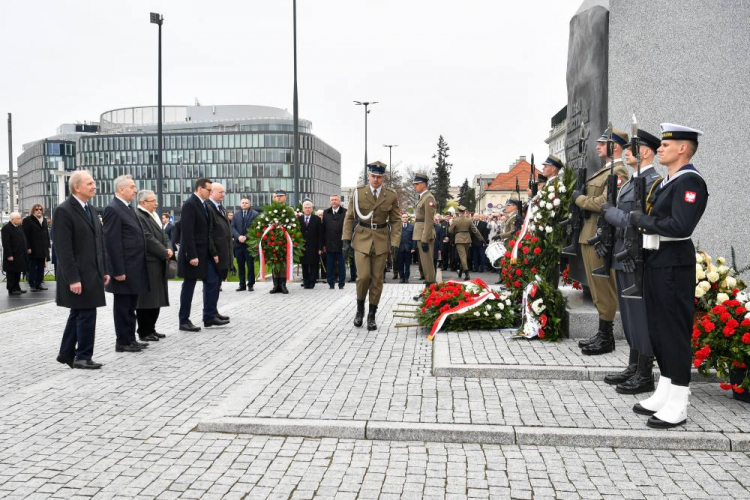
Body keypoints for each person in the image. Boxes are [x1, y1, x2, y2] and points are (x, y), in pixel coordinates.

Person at [621, 123, 708, 429]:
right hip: (657, 260)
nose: (659, 149)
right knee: (658, 330)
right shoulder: (669, 182)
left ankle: (679, 401)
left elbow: (681, 227)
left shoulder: (690, 182)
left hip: (673, 263)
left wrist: (643, 220)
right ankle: (666, 390)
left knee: (673, 332)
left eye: (666, 146)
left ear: (683, 148)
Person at [596, 128, 663, 395]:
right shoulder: (631, 182)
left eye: (632, 148)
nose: (625, 151)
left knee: (639, 315)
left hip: (637, 259)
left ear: (645, 152)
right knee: (629, 316)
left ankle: (644, 374)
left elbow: (640, 221)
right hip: (623, 257)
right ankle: (633, 366)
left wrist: (611, 214)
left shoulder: (653, 182)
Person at [573, 127, 630, 355]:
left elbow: (607, 203)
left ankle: (607, 337)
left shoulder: (619, 172)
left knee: (603, 287)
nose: (597, 146)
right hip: (589, 234)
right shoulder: (605, 170)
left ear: (614, 146)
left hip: (600, 236)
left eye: (602, 142)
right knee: (596, 288)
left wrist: (581, 200)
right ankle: (602, 332)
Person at [53, 171, 109, 369]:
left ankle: (67, 353)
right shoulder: (64, 211)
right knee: (86, 314)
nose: (94, 186)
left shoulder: (91, 209)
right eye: (90, 183)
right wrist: (73, 278)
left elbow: (99, 242)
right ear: (77, 187)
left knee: (79, 312)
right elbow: (63, 249)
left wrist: (104, 270)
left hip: (93, 273)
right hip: (79, 274)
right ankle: (83, 356)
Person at [342, 162, 402, 330]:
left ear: (384, 177)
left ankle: (371, 315)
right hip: (362, 238)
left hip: (382, 239)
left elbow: (396, 220)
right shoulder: (359, 193)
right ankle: (360, 309)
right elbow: (349, 217)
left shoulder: (390, 195)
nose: (376, 179)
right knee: (363, 276)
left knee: (377, 279)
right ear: (368, 176)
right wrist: (346, 239)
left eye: (379, 177)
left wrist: (395, 242)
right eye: (373, 176)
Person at [103, 175, 150, 353]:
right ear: (121, 189)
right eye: (131, 187)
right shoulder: (113, 209)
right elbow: (112, 242)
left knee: (131, 306)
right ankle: (122, 341)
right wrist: (117, 270)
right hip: (124, 268)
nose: (135, 190)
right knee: (123, 307)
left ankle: (130, 338)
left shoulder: (127, 208)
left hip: (134, 267)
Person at [178, 178, 226, 331]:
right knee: (189, 286)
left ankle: (209, 316)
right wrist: (191, 255)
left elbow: (206, 232)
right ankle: (184, 320)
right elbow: (187, 232)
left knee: (212, 281)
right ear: (200, 189)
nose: (210, 192)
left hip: (205, 253)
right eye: (209, 190)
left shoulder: (203, 204)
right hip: (193, 255)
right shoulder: (190, 205)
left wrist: (212, 252)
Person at [134, 190, 173, 342]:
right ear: (143, 202)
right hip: (149, 263)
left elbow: (164, 236)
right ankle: (144, 331)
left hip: (159, 261)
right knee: (147, 300)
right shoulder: (139, 216)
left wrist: (169, 248)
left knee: (157, 298)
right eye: (153, 201)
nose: (156, 203)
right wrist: (164, 251)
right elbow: (147, 238)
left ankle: (151, 328)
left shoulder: (154, 215)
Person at [412, 173, 437, 285]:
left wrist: (425, 238)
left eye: (417, 184)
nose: (415, 186)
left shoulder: (428, 198)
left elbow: (429, 220)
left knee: (427, 263)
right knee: (424, 262)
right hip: (420, 233)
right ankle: (429, 286)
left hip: (424, 234)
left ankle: (431, 287)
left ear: (424, 184)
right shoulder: (422, 197)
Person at [231, 198, 259, 291]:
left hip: (249, 244)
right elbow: (233, 227)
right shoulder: (236, 215)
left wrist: (246, 237)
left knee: (250, 265)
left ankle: (250, 284)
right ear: (240, 204)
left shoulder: (255, 214)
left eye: (246, 203)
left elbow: (255, 228)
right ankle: (241, 284)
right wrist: (238, 236)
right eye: (242, 203)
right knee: (240, 265)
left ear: (249, 204)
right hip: (238, 245)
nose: (244, 204)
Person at [449, 206, 483, 280]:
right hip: (467, 239)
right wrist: (481, 239)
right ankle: (461, 270)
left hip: (459, 239)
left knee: (462, 256)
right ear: (464, 212)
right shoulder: (469, 220)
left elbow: (450, 231)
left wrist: (454, 233)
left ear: (459, 212)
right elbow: (475, 230)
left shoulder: (455, 220)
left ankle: (466, 273)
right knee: (464, 256)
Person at [22, 204, 51, 291]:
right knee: (32, 267)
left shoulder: (44, 220)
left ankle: (38, 284)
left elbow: (46, 234)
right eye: (36, 209)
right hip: (33, 248)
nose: (39, 211)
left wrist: (48, 246)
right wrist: (28, 247)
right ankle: (32, 284)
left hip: (43, 248)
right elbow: (25, 235)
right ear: (33, 210)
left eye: (40, 209)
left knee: (41, 267)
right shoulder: (28, 220)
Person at [322, 194, 347, 289]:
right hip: (329, 244)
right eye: (332, 200)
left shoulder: (345, 212)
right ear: (330, 201)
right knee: (330, 265)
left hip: (341, 244)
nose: (334, 201)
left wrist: (346, 242)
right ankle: (331, 283)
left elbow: (348, 228)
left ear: (339, 201)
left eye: (335, 200)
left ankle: (341, 283)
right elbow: (323, 229)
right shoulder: (326, 212)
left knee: (341, 265)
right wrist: (323, 244)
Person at [299, 200, 324, 289]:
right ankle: (306, 282)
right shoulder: (299, 219)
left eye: (309, 207)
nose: (307, 209)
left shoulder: (317, 219)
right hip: (302, 247)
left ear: (312, 209)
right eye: (306, 208)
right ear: (303, 209)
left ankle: (312, 282)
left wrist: (320, 248)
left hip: (314, 246)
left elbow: (320, 234)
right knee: (304, 265)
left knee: (313, 265)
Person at [2, 212, 28, 295]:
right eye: (18, 219)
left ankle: (17, 287)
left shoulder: (19, 227)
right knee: (11, 272)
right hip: (12, 254)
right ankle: (11, 288)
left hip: (20, 254)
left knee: (18, 272)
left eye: (20, 218)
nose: (20, 220)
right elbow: (6, 243)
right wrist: (9, 255)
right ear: (12, 219)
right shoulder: (6, 228)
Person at [396, 213, 416, 283]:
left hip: (408, 249)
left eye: (406, 217)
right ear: (401, 218)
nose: (405, 218)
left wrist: (413, 247)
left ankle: (406, 278)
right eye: (403, 217)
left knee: (407, 265)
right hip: (400, 248)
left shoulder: (411, 226)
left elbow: (414, 238)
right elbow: (395, 237)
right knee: (400, 264)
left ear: (408, 218)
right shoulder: (398, 227)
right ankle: (401, 277)